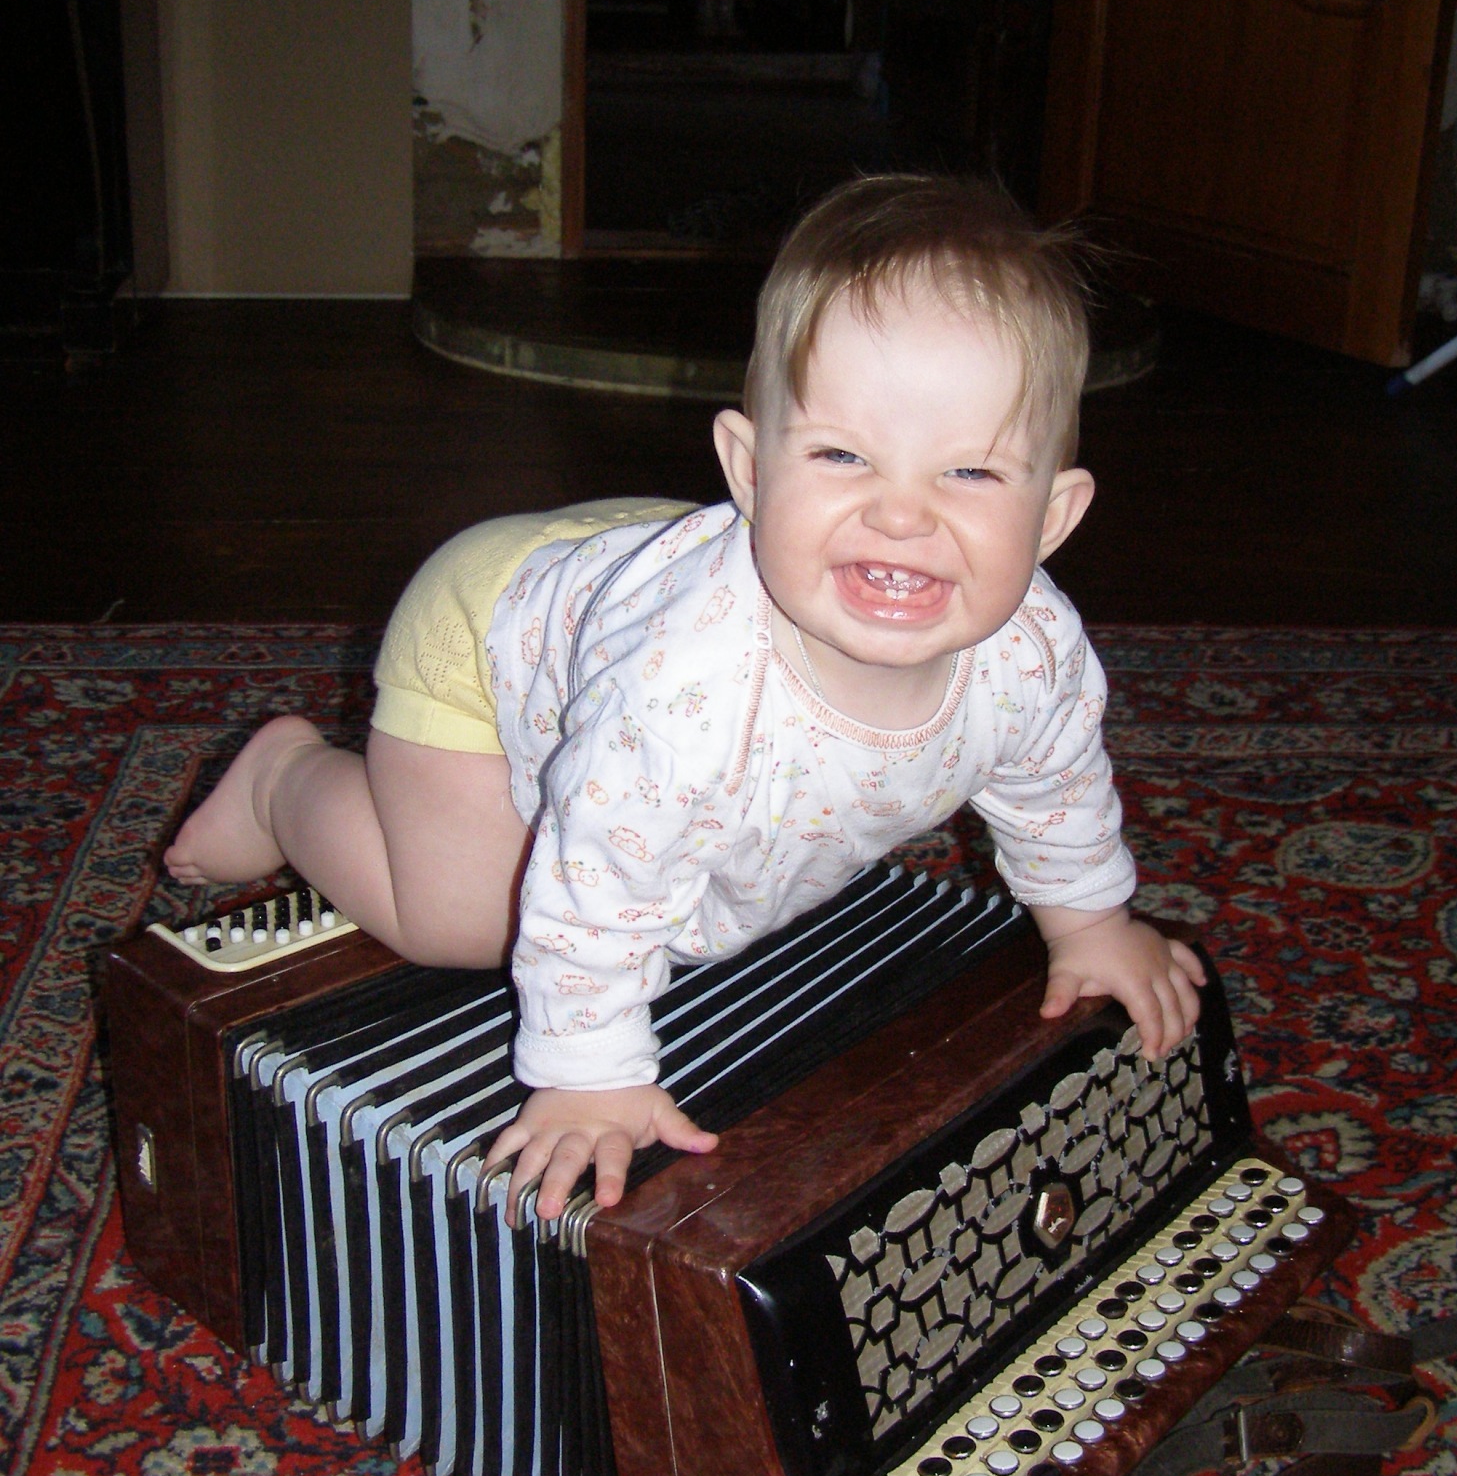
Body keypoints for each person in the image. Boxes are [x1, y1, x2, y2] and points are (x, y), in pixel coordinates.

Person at [167, 175, 1204, 1221]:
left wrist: (1090, 921)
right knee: (467, 919)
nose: (900, 515)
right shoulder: (682, 699)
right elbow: (596, 878)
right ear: (749, 473)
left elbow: (1055, 785)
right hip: (489, 635)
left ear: (1054, 516)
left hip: (640, 571)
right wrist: (589, 1072)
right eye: (841, 455)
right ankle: (283, 781)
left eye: (970, 474)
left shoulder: (1032, 655)